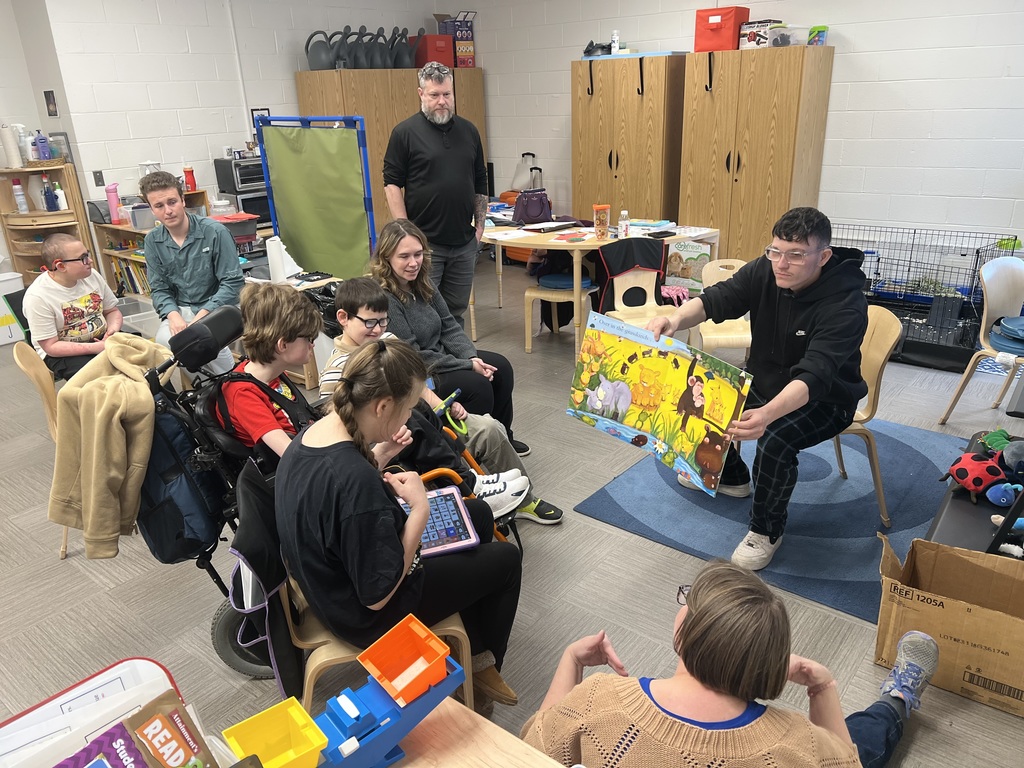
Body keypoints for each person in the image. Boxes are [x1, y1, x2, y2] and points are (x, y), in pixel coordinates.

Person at [275, 337, 523, 710]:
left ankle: (473, 648)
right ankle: (477, 680)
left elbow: (336, 504)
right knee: (505, 561)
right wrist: (419, 513)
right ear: (383, 405)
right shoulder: (355, 482)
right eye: (408, 408)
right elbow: (378, 596)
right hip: (362, 615)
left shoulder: (312, 435)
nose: (409, 418)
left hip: (328, 576)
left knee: (479, 515)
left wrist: (381, 455)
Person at [523, 560, 939, 768]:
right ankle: (897, 699)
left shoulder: (601, 699)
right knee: (861, 740)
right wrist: (823, 686)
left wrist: (571, 659)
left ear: (685, 631)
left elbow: (526, 752)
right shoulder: (798, 744)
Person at [648, 207, 868, 570]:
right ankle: (733, 476)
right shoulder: (766, 270)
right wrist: (674, 318)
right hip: (766, 382)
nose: (782, 263)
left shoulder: (845, 304)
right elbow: (718, 298)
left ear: (823, 256)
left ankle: (766, 530)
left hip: (827, 398)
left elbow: (814, 376)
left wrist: (766, 414)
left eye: (796, 255)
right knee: (701, 395)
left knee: (775, 441)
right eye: (775, 251)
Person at [320, 277, 563, 525]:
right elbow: (343, 436)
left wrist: (443, 405)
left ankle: (520, 500)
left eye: (383, 321)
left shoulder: (389, 341)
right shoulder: (335, 373)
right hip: (399, 444)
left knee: (491, 428)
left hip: (425, 423)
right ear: (343, 318)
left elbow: (417, 382)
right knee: (438, 425)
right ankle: (468, 483)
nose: (378, 329)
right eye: (370, 322)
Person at [369, 218, 530, 457]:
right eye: (404, 256)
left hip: (442, 358)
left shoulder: (423, 284)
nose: (413, 263)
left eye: (418, 254)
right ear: (387, 258)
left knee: (501, 368)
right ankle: (471, 452)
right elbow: (413, 356)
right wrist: (467, 365)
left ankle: (501, 437)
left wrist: (471, 357)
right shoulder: (386, 298)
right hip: (419, 373)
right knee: (479, 387)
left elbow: (449, 325)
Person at [383, 60, 487, 328]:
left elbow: (480, 180)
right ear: (421, 94)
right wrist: (405, 233)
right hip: (425, 246)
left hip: (464, 243)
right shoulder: (404, 133)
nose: (442, 101)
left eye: (447, 95)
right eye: (434, 95)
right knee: (423, 314)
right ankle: (429, 367)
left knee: (455, 314)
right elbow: (392, 183)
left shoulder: (469, 131)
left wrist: (479, 230)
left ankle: (457, 365)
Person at [140, 170, 243, 376]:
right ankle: (202, 393)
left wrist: (202, 317)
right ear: (151, 209)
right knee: (163, 345)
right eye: (159, 206)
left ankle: (230, 381)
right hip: (181, 310)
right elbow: (159, 289)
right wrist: (173, 315)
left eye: (172, 202)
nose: (168, 210)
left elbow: (232, 283)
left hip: (219, 307)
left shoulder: (215, 232)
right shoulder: (152, 241)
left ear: (183, 200)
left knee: (200, 340)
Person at [215, 283, 323, 458]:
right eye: (309, 338)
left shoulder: (275, 373)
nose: (313, 344)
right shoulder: (244, 395)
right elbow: (292, 456)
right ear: (283, 345)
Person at [23, 233, 123, 380]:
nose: (90, 261)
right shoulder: (37, 297)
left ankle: (165, 402)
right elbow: (51, 346)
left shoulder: (92, 276)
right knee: (104, 380)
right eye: (83, 258)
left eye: (87, 255)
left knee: (147, 362)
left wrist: (112, 331)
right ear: (61, 266)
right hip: (64, 353)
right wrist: (96, 348)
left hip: (103, 339)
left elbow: (112, 311)